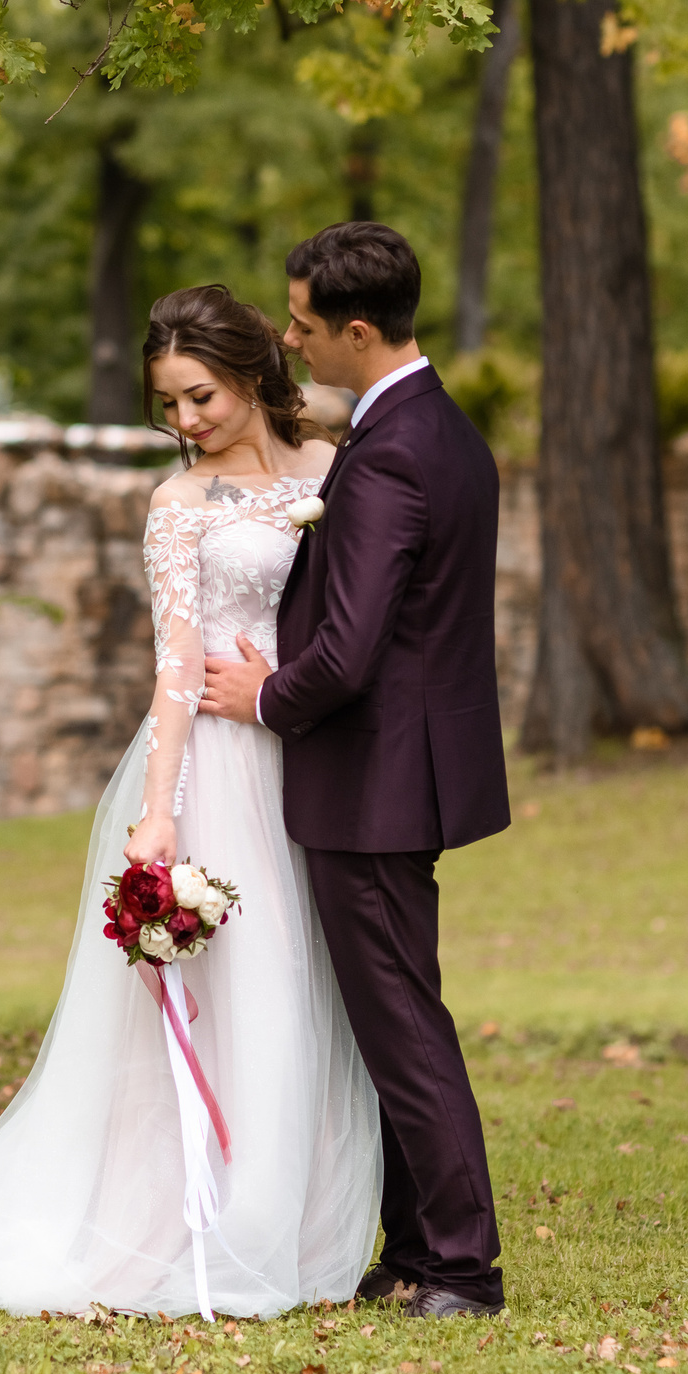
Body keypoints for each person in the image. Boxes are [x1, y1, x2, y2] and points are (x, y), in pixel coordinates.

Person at [0, 284, 381, 1318]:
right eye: (169, 404)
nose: (187, 422)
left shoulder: (336, 474)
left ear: (254, 371)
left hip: (303, 756)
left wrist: (285, 680)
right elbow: (174, 668)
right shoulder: (177, 505)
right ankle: (194, 1217)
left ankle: (289, 1212)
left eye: (200, 395)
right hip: (216, 761)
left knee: (299, 982)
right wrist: (159, 812)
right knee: (230, 987)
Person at [199, 221, 512, 1318]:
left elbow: (351, 645)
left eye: (301, 324)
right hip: (406, 771)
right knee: (391, 1014)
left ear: (359, 330)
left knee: (402, 1022)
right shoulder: (443, 431)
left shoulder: (389, 455)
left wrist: (261, 697)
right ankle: (416, 1245)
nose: (289, 341)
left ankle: (464, 1266)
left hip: (374, 782)